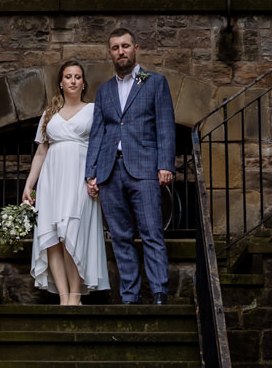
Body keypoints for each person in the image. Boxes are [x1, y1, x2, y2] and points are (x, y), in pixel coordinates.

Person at [84, 26, 175, 305]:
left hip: (145, 169)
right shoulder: (104, 91)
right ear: (109, 54)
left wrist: (165, 165)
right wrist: (91, 173)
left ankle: (159, 291)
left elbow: (165, 126)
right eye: (115, 48)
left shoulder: (155, 83)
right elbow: (98, 133)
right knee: (121, 237)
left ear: (136, 49)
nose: (120, 51)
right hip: (111, 172)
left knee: (151, 233)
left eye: (125, 46)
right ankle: (130, 295)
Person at [21, 59, 109, 305]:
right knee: (52, 238)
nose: (73, 80)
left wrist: (96, 177)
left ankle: (75, 295)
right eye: (68, 76)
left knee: (72, 233)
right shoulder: (49, 115)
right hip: (51, 180)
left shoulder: (93, 110)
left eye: (77, 77)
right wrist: (29, 185)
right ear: (60, 83)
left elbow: (102, 146)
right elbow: (41, 152)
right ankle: (63, 297)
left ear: (83, 83)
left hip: (79, 177)